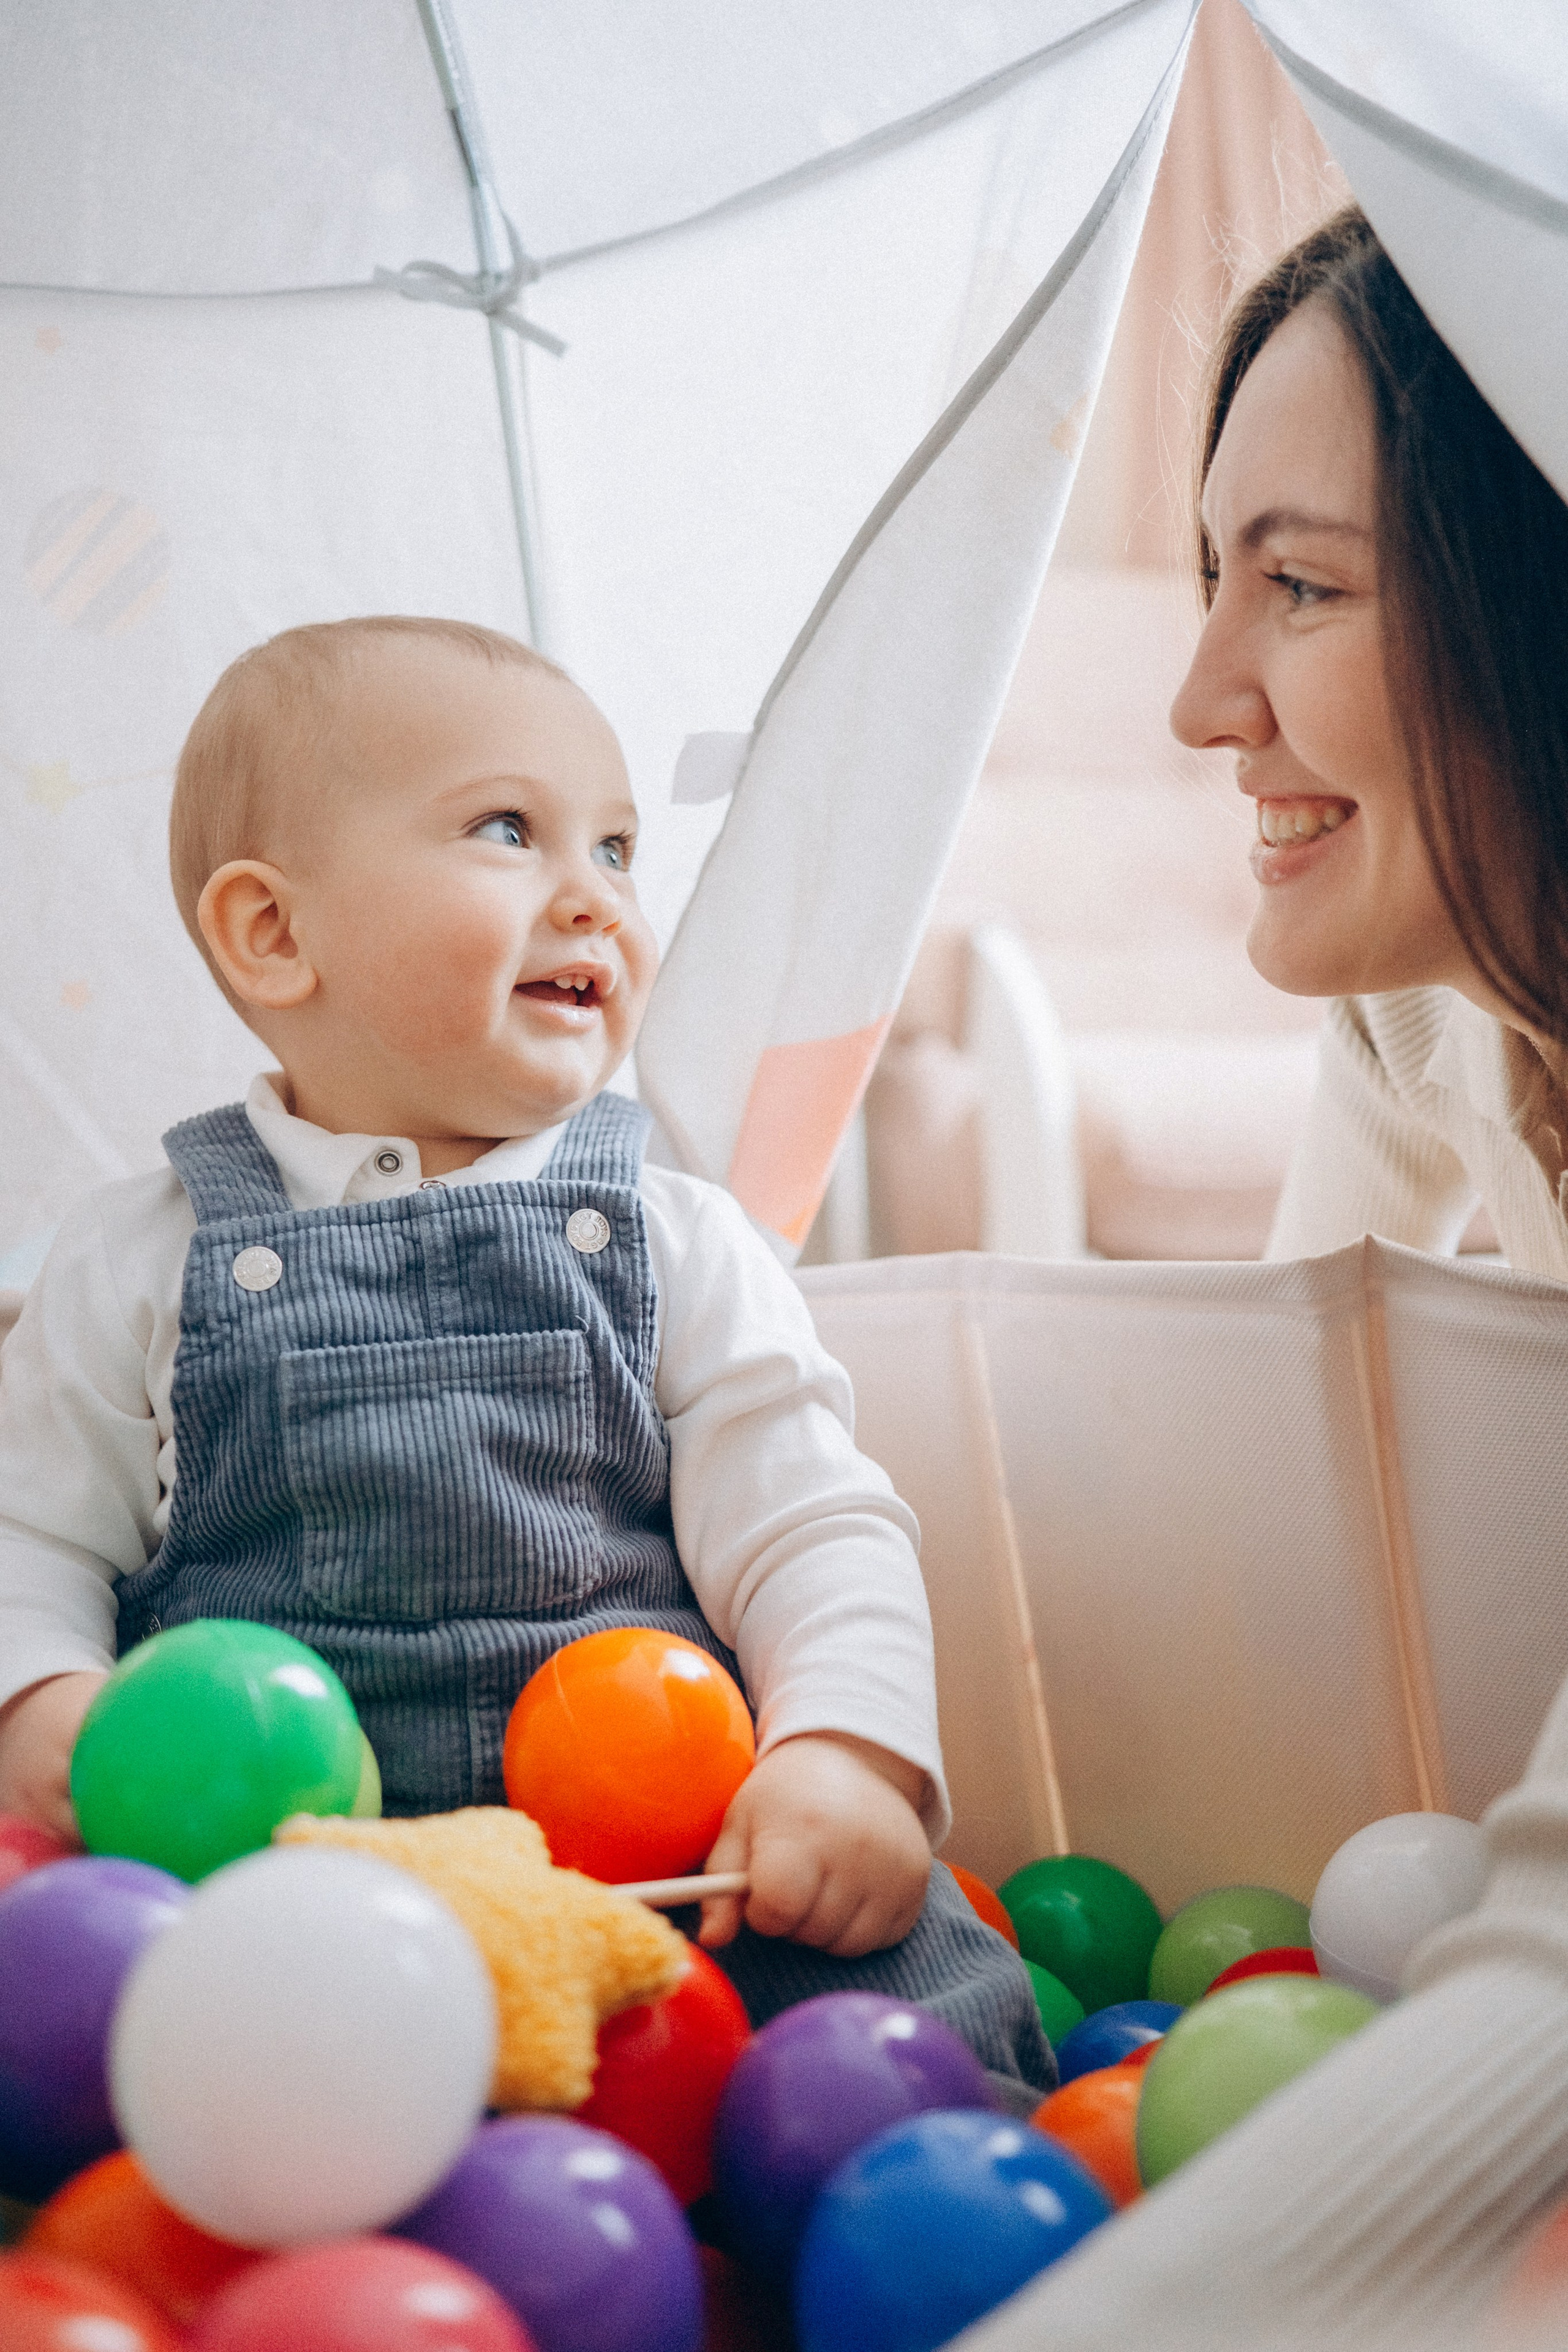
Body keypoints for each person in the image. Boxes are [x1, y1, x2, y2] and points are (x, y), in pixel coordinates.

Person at [0, 614, 1047, 2095]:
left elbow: (815, 1526)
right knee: (68, 2037)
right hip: (278, 1908)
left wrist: (842, 1754)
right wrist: (39, 1698)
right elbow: (26, 1534)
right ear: (273, 932)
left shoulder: (680, 1237)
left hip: (674, 1894)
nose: (598, 900)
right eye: (512, 830)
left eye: (617, 849)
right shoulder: (140, 1257)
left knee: (902, 2026)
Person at [967, 207, 1568, 2347]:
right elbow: (1274, 1505)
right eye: (1215, 573)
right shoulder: (1439, 1014)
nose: (1200, 694)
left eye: (1298, 584)